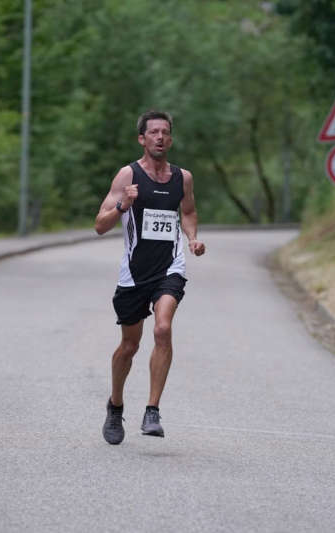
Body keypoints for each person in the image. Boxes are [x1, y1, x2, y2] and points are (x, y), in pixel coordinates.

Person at [94, 110, 206, 445]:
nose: (160, 137)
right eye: (153, 132)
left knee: (163, 328)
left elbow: (187, 212)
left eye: (165, 132)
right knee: (129, 346)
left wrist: (192, 238)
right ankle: (115, 406)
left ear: (170, 139)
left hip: (169, 267)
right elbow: (100, 225)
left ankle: (152, 410)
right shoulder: (127, 175)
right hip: (134, 274)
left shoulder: (182, 178)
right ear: (142, 139)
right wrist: (123, 206)